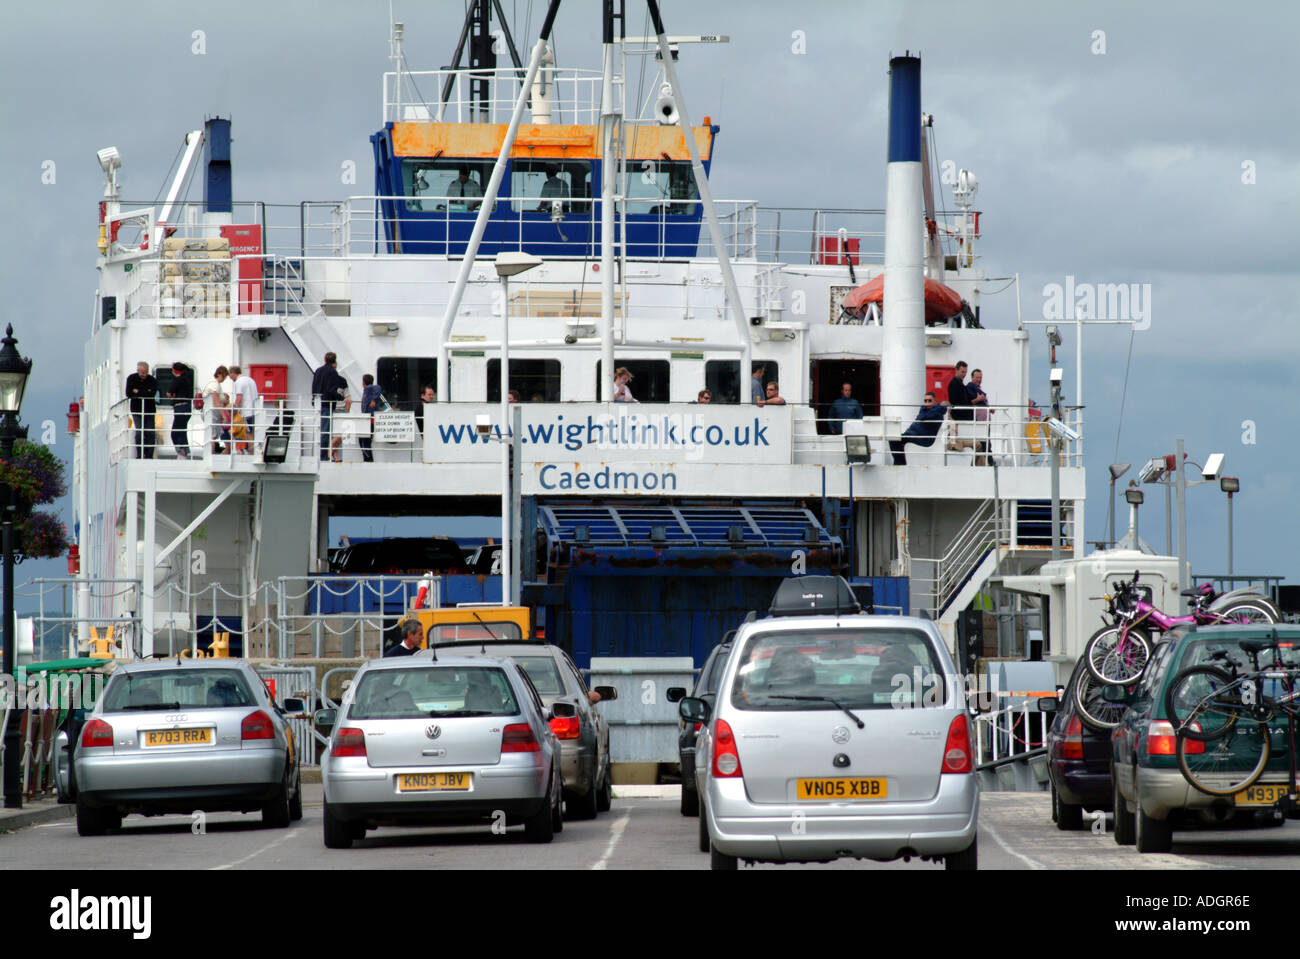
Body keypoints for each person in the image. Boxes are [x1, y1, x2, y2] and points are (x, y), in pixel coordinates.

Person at [889, 392, 948, 465]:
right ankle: (899, 462)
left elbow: (924, 417)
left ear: (935, 401)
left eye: (929, 401)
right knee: (893, 438)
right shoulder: (925, 410)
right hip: (913, 434)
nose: (927, 403)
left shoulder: (938, 413)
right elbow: (922, 417)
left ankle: (900, 463)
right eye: (925, 401)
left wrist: (940, 406)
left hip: (923, 438)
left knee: (896, 440)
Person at [311, 352, 348, 462]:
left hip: (318, 404)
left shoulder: (318, 370)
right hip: (327, 404)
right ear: (335, 361)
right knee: (325, 431)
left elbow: (314, 387)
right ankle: (323, 457)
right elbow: (331, 389)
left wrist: (314, 400)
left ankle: (320, 454)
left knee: (320, 429)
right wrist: (340, 397)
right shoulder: (332, 372)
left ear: (325, 359)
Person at [125, 361, 158, 459]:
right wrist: (145, 392)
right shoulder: (131, 378)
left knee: (150, 433)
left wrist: (137, 391)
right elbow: (129, 393)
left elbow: (151, 394)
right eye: (141, 372)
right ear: (138, 370)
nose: (143, 375)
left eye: (145, 372)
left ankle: (149, 456)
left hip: (149, 410)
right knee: (139, 433)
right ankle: (140, 455)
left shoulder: (152, 380)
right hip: (137, 410)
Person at [229, 365, 258, 453]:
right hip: (255, 411)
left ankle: (251, 453)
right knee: (252, 433)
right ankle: (250, 451)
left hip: (246, 412)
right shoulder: (250, 380)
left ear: (233, 373)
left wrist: (234, 411)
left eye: (230, 375)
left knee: (248, 434)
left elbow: (239, 397)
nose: (230, 377)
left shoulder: (239, 382)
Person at [167, 361, 194, 459]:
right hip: (187, 407)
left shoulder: (178, 380)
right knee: (182, 430)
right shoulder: (187, 379)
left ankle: (181, 452)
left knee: (175, 432)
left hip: (180, 407)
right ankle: (185, 452)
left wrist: (173, 396)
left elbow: (169, 393)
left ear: (175, 371)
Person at [359, 373, 383, 463]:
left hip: (369, 419)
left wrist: (374, 399)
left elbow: (378, 387)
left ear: (364, 382)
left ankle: (368, 459)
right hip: (368, 419)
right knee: (364, 440)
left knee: (364, 440)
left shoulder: (368, 388)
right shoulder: (367, 390)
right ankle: (368, 458)